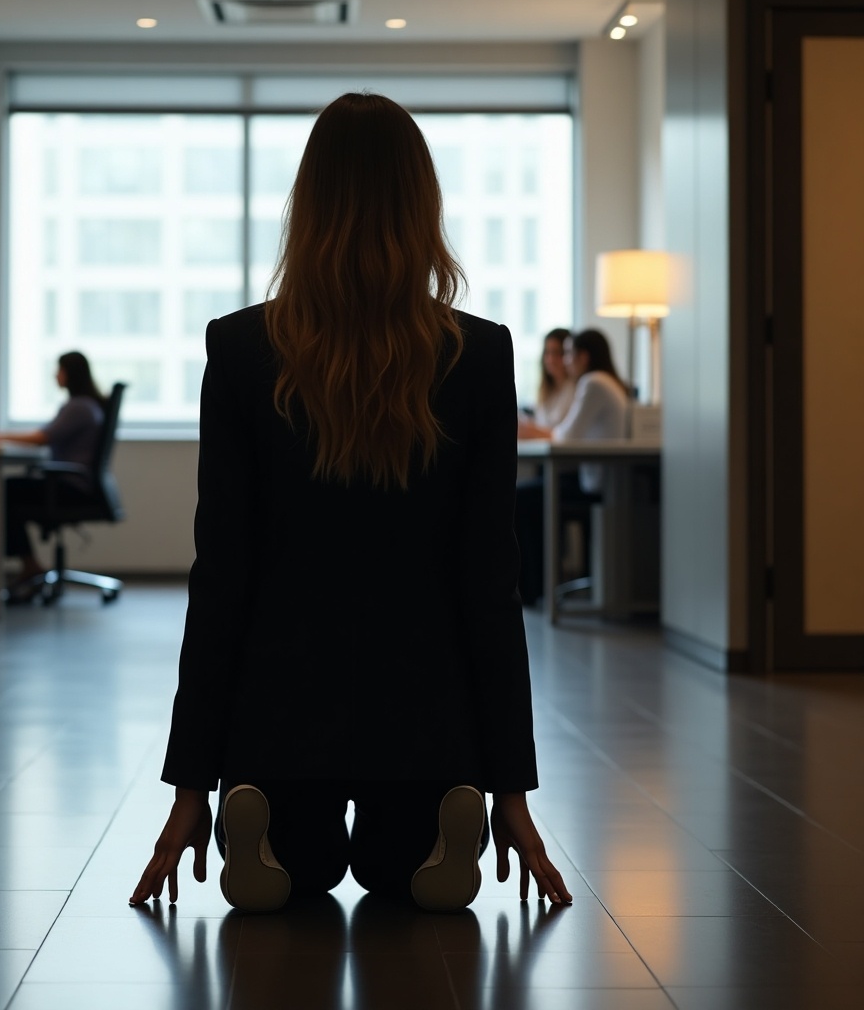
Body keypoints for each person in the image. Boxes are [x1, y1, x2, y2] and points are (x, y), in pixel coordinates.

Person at [129, 93, 571, 914]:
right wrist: (510, 788)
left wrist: (193, 782)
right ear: (422, 206)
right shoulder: (478, 354)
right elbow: (489, 581)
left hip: (278, 708)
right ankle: (447, 820)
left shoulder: (239, 347)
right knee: (395, 872)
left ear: (309, 205)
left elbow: (220, 574)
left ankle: (257, 820)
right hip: (428, 710)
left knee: (302, 867)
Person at [0, 351, 105, 592]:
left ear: (70, 374)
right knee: (9, 489)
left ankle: (29, 565)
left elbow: (42, 437)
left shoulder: (79, 407)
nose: (55, 375)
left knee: (4, 492)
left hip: (70, 488)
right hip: (78, 485)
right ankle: (27, 563)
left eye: (59, 369)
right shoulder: (86, 405)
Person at [516, 328, 630, 605]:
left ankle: (533, 591)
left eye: (567, 354)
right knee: (527, 494)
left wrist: (528, 429)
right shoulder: (606, 382)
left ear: (584, 356)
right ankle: (535, 588)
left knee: (521, 498)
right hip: (603, 480)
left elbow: (565, 436)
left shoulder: (593, 383)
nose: (565, 361)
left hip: (595, 484)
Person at [518, 327, 574, 438]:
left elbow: (566, 436)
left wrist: (531, 430)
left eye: (557, 353)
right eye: (547, 353)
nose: (550, 359)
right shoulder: (546, 392)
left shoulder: (576, 389)